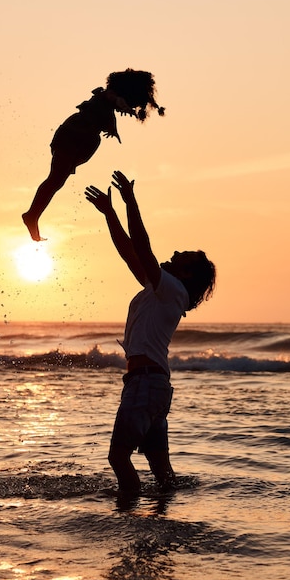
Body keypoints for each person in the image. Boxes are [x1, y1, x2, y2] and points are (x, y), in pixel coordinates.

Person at [85, 170, 216, 501]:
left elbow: (142, 247)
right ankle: (164, 525)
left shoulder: (171, 289)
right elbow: (131, 252)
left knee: (118, 457)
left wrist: (131, 203)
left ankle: (129, 518)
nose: (170, 257)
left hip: (146, 384)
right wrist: (111, 213)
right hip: (151, 385)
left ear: (186, 274)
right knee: (163, 475)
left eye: (178, 259)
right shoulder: (162, 290)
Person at [22, 69, 165, 241]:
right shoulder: (108, 95)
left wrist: (114, 128)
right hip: (73, 135)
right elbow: (114, 98)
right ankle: (31, 216)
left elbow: (110, 112)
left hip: (79, 140)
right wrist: (124, 106)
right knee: (55, 179)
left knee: (57, 181)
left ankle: (33, 215)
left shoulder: (107, 104)